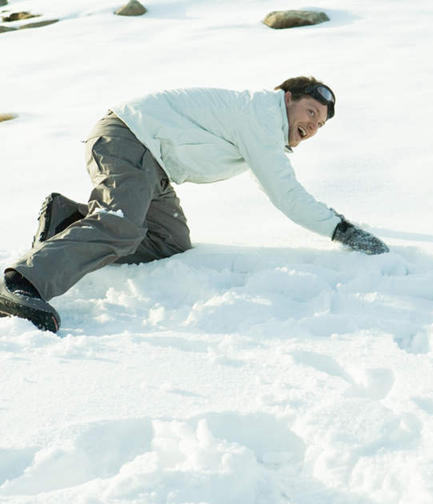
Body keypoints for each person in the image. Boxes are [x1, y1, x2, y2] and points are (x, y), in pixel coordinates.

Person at [0, 76, 388, 333]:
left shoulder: (260, 122)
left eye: (320, 125)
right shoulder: (261, 116)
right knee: (121, 224)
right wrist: (342, 230)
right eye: (311, 113)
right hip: (130, 138)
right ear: (287, 98)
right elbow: (286, 194)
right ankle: (22, 281)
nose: (313, 127)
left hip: (155, 165)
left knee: (169, 244)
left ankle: (65, 222)